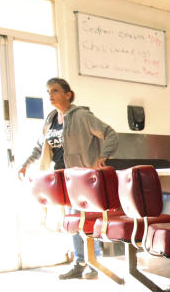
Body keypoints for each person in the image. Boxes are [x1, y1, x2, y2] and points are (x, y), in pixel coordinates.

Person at [18, 78, 119, 280]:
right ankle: (80, 262)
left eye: (55, 90)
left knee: (86, 218)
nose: (50, 95)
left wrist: (103, 156)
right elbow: (40, 146)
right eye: (48, 91)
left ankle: (93, 262)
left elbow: (110, 133)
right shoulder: (51, 119)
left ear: (68, 94)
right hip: (61, 177)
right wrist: (25, 164)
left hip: (81, 176)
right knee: (72, 219)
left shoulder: (82, 116)